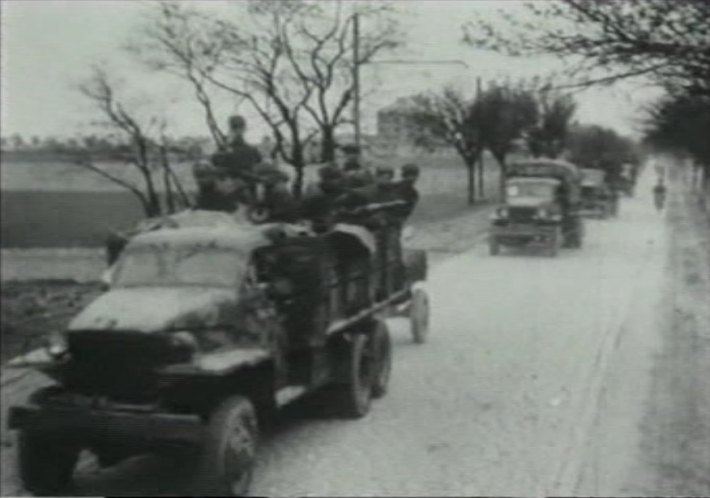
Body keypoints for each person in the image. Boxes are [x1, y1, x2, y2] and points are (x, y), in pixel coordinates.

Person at [211, 115, 263, 179]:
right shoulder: (252, 150)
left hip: (239, 183)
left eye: (239, 127)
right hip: (234, 183)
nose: (237, 130)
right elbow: (215, 161)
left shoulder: (251, 150)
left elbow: (215, 161)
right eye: (235, 127)